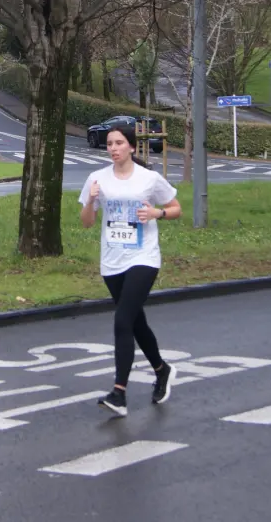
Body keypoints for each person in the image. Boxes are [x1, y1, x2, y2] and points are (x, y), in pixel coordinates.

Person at [79, 122, 181, 418]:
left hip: (144, 257)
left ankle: (119, 392)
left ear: (132, 147)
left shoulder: (148, 178)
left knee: (122, 320)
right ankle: (162, 370)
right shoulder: (96, 179)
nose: (113, 148)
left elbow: (176, 208)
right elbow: (86, 222)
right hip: (112, 260)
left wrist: (156, 213)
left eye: (119, 143)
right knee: (136, 322)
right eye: (109, 143)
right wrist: (92, 200)